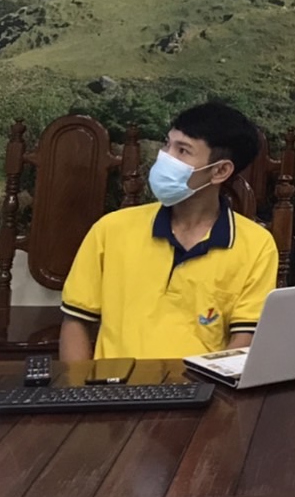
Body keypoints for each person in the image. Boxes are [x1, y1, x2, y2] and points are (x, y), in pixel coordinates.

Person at [59, 103, 278, 362]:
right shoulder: (111, 228)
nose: (164, 157)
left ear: (220, 171)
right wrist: (78, 385)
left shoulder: (257, 245)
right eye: (167, 144)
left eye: (182, 150)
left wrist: (210, 386)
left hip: (200, 385)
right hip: (114, 384)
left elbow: (244, 339)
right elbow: (76, 322)